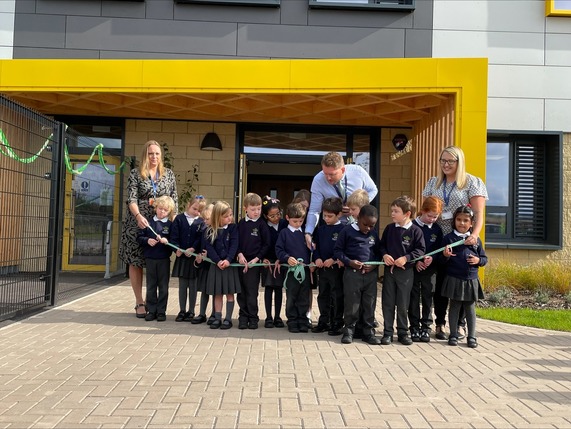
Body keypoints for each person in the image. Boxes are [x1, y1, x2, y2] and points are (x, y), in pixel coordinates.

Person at [422, 146, 488, 340]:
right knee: (440, 284)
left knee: (460, 286)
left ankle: (459, 325)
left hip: (461, 242)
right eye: (443, 160)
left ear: (460, 162)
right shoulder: (433, 182)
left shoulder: (472, 182)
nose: (446, 164)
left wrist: (474, 235)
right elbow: (426, 209)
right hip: (438, 240)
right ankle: (440, 324)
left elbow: (478, 214)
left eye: (451, 161)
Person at [119, 140, 178, 318]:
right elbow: (131, 199)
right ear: (145, 154)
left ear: (161, 156)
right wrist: (138, 217)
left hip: (161, 225)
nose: (154, 157)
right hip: (139, 224)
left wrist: (173, 222)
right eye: (150, 153)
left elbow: (174, 199)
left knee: (156, 262)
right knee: (136, 262)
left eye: (157, 153)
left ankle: (153, 302)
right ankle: (139, 302)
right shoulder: (136, 174)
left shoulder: (168, 174)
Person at [304, 152, 377, 249]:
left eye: (332, 174)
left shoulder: (358, 171)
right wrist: (308, 232)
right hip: (335, 228)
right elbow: (314, 210)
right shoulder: (318, 180)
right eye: (325, 173)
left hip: (360, 226)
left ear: (342, 170)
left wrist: (359, 205)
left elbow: (373, 190)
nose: (328, 178)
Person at [379, 196, 426, 346]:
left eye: (396, 211)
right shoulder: (389, 229)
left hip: (406, 273)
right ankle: (387, 333)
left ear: (407, 214)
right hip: (389, 272)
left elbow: (421, 250)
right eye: (392, 210)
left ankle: (403, 332)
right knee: (388, 302)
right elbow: (381, 246)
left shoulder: (416, 231)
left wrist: (406, 258)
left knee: (403, 303)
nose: (392, 214)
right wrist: (385, 254)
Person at [334, 204, 381, 345]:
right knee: (352, 304)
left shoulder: (373, 234)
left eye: (372, 226)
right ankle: (349, 331)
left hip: (370, 275)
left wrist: (373, 265)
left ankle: (368, 332)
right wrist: (349, 262)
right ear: (358, 218)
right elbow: (337, 251)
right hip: (352, 273)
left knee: (369, 303)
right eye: (365, 224)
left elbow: (379, 253)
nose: (368, 228)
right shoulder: (347, 231)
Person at [441, 205, 487, 348]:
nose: (462, 223)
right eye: (459, 220)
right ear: (454, 221)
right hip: (454, 278)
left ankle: (472, 337)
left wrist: (478, 261)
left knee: (470, 308)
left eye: (466, 220)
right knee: (454, 306)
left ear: (471, 223)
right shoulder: (449, 238)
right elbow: (441, 261)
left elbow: (484, 259)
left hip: (470, 279)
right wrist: (445, 256)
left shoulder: (475, 240)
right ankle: (453, 334)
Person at [409, 196, 443, 342]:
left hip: (430, 270)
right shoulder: (411, 226)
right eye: (429, 216)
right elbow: (407, 248)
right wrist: (415, 262)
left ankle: (426, 327)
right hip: (414, 269)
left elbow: (439, 250)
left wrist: (432, 259)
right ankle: (414, 327)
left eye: (435, 217)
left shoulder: (437, 229)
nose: (432, 219)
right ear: (422, 211)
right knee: (414, 297)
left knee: (428, 297)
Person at [136, 195, 176, 322]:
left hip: (164, 259)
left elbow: (174, 241)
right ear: (156, 207)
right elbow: (139, 237)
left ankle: (161, 311)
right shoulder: (148, 223)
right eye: (160, 208)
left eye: (165, 210)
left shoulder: (170, 225)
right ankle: (151, 310)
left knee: (163, 286)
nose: (162, 212)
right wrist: (147, 240)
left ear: (169, 211)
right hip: (150, 259)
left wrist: (166, 241)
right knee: (151, 285)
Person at [203, 201, 241, 330]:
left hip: (229, 266)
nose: (229, 218)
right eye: (226, 216)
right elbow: (210, 247)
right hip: (216, 266)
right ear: (218, 216)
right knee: (217, 293)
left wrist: (229, 260)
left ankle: (228, 318)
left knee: (230, 293)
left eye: (230, 215)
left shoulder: (233, 228)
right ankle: (217, 317)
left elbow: (234, 245)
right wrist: (218, 261)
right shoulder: (210, 230)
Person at [275, 202, 312, 334]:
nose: (298, 223)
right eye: (295, 221)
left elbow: (311, 251)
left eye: (301, 221)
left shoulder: (306, 233)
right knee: (292, 296)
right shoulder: (284, 233)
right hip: (291, 272)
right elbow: (278, 249)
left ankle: (303, 320)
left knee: (304, 296)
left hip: (305, 270)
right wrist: (286, 257)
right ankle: (292, 320)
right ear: (287, 218)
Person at [236, 193, 271, 330]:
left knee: (252, 292)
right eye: (253, 209)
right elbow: (236, 241)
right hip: (241, 262)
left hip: (254, 264)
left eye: (259, 208)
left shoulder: (262, 224)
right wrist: (239, 255)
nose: (256, 212)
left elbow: (266, 244)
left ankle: (253, 317)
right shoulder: (241, 223)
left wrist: (256, 259)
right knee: (241, 292)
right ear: (245, 208)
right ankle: (243, 317)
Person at [312, 197, 345, 335]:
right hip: (323, 269)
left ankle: (337, 322)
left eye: (330, 216)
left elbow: (344, 249)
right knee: (323, 295)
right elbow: (315, 247)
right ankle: (324, 321)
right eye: (324, 215)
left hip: (336, 269)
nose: (326, 218)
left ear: (339, 214)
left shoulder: (344, 229)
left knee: (336, 295)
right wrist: (317, 258)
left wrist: (334, 259)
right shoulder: (321, 229)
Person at [171, 195, 207, 322]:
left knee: (193, 286)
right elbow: (173, 236)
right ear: (188, 205)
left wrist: (193, 249)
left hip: (193, 259)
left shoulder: (201, 221)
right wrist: (177, 249)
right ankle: (182, 310)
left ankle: (191, 311)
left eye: (199, 211)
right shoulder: (179, 219)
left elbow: (200, 238)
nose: (196, 212)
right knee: (182, 285)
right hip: (182, 258)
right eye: (194, 209)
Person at [261, 196, 287, 328]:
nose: (276, 217)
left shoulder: (284, 224)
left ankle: (277, 316)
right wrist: (262, 258)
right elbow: (260, 244)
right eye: (272, 216)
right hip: (267, 261)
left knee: (278, 288)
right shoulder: (263, 225)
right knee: (268, 288)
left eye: (278, 214)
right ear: (265, 216)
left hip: (280, 261)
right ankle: (268, 317)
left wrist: (281, 258)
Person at [191, 203, 216, 325]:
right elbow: (200, 245)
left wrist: (209, 256)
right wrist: (199, 258)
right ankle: (202, 313)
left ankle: (214, 314)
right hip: (204, 266)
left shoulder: (217, 231)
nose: (205, 221)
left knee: (215, 291)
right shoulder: (204, 229)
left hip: (214, 266)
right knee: (204, 290)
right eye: (204, 219)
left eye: (207, 219)